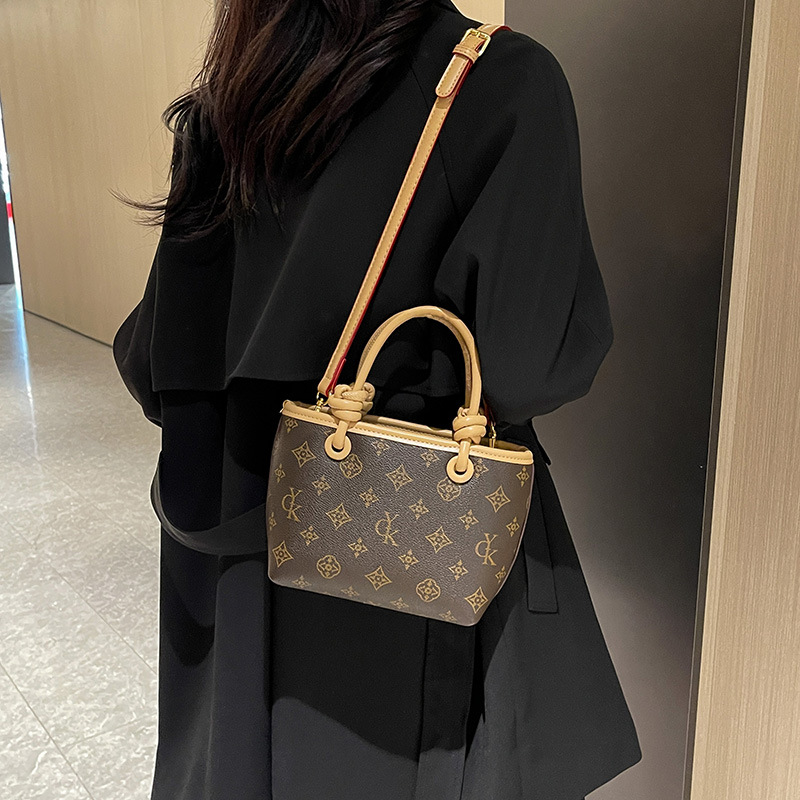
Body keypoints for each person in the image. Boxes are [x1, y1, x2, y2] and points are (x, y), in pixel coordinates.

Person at [113, 0, 643, 798]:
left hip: (228, 556)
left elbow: (149, 360)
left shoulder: (224, 110)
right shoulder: (498, 81)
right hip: (399, 554)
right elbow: (528, 370)